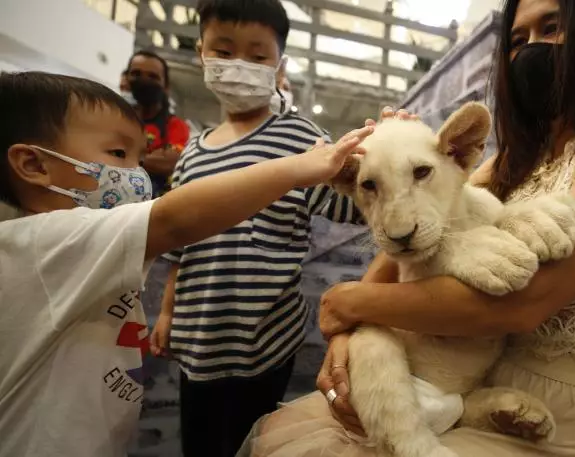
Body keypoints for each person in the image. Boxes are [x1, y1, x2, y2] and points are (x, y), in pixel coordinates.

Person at [239, 0, 575, 456]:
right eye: (516, 40)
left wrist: (348, 302)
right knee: (279, 434)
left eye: (553, 28)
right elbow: (409, 241)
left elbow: (522, 305)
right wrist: (349, 336)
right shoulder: (515, 158)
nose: (531, 51)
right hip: (480, 376)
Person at [0, 71, 371, 457]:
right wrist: (303, 166)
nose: (136, 174)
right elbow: (174, 222)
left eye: (137, 158)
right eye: (117, 155)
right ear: (33, 163)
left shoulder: (58, 245)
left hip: (261, 342)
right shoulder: (48, 243)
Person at [147, 1, 365, 456]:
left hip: (265, 338)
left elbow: (349, 206)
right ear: (202, 52)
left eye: (257, 55)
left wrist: (383, 164)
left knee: (253, 445)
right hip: (197, 336)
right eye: (223, 51)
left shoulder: (302, 138)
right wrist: (167, 312)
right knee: (201, 444)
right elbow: (176, 243)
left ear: (279, 63)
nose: (238, 65)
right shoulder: (191, 153)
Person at [124, 50, 190, 197]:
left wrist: (121, 156)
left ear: (166, 87)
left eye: (153, 76)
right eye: (136, 74)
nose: (144, 80)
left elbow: (168, 163)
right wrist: (145, 156)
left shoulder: (175, 125)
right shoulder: (116, 118)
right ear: (126, 78)